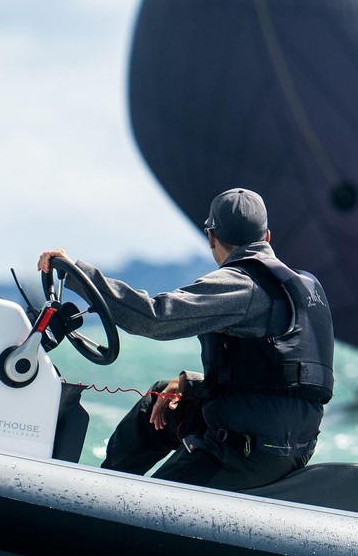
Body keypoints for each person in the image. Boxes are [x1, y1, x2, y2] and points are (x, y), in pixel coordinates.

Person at [36, 187, 333, 490]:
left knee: (146, 508)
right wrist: (191, 384)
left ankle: (114, 511)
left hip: (245, 452)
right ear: (267, 237)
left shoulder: (241, 284)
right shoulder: (306, 289)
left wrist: (76, 274)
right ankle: (104, 489)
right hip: (291, 445)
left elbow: (153, 318)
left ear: (211, 237)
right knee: (161, 397)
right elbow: (279, 378)